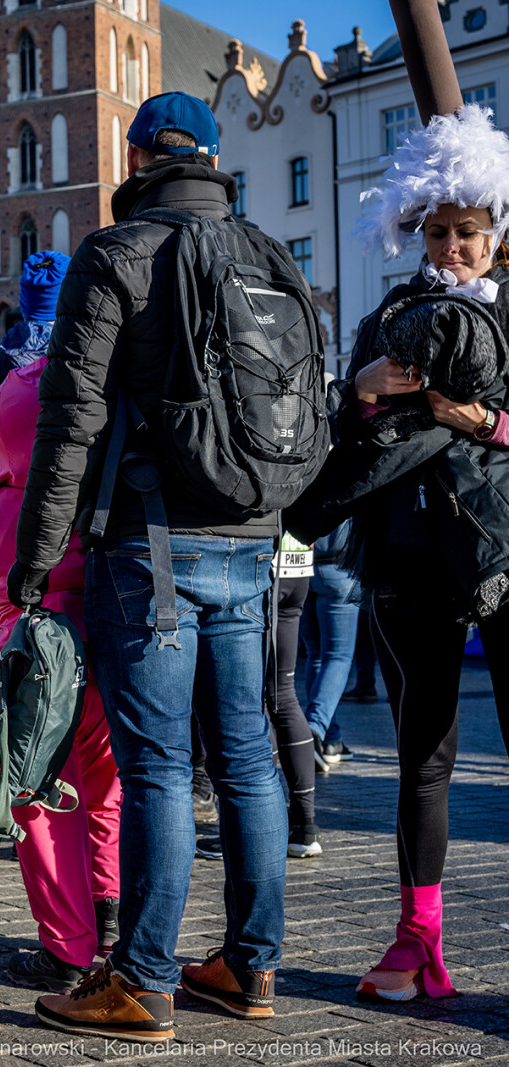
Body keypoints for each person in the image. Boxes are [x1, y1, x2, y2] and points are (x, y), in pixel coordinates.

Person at [9, 93, 292, 1041]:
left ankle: (143, 981)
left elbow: (71, 419)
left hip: (151, 546)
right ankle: (250, 966)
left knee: (159, 766)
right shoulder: (265, 251)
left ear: (136, 158)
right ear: (209, 159)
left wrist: (35, 558)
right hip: (251, 538)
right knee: (246, 757)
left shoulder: (114, 252)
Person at [289, 103, 509, 1003]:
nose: (452, 248)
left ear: (496, 234)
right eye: (438, 232)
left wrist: (484, 420)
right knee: (424, 756)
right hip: (410, 559)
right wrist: (358, 389)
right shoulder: (390, 316)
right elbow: (340, 440)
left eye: (468, 233)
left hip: (502, 559)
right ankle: (419, 940)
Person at [0, 250, 123, 996]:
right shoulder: (99, 487)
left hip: (34, 663)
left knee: (41, 795)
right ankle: (111, 914)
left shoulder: (3, 502)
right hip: (110, 643)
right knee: (107, 787)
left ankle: (68, 946)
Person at [269, 534, 319, 858]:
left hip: (262, 564)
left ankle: (260, 821)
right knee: (283, 693)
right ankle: (304, 826)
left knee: (252, 699)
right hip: (297, 562)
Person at [301, 520, 358, 769]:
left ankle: (332, 739)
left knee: (316, 655)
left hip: (303, 568)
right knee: (338, 657)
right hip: (340, 568)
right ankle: (314, 728)